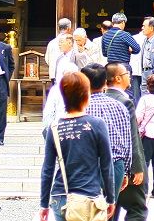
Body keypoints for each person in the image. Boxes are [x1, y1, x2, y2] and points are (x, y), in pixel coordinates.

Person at [39, 71, 117, 221]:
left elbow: (47, 169)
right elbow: (107, 165)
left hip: (61, 195)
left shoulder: (55, 127)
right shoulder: (97, 124)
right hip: (89, 195)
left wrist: (44, 204)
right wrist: (110, 198)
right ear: (86, 95)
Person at [79, 63, 134, 218]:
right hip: (115, 164)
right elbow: (127, 142)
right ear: (105, 82)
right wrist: (126, 170)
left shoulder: (79, 107)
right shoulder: (119, 106)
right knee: (109, 211)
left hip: (86, 166)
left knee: (86, 213)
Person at [105, 62, 148, 221]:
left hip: (107, 166)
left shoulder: (101, 100)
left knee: (110, 210)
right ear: (117, 78)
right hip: (126, 166)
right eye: (126, 74)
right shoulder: (125, 102)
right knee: (137, 209)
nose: (129, 76)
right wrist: (137, 167)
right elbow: (132, 137)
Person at [136, 17, 154, 96]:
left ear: (151, 28)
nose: (142, 28)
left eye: (144, 26)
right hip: (144, 71)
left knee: (153, 94)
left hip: (153, 72)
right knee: (144, 93)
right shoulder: (145, 40)